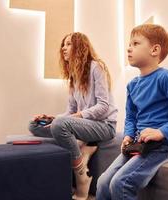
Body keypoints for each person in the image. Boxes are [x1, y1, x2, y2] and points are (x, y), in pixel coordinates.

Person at [96, 24, 168, 200]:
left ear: (155, 50)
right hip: (138, 145)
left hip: (163, 147)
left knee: (120, 183)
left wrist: (161, 132)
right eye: (129, 44)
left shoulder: (166, 77)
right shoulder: (132, 85)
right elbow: (131, 116)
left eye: (135, 43)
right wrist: (128, 135)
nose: (129, 48)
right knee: (103, 182)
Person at [28, 32, 118, 200]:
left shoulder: (96, 67)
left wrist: (74, 117)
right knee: (33, 125)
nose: (63, 48)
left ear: (80, 47)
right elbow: (70, 111)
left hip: (104, 125)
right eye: (63, 44)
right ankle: (85, 146)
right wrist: (53, 118)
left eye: (68, 44)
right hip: (83, 124)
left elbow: (103, 107)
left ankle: (82, 177)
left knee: (60, 125)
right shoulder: (73, 75)